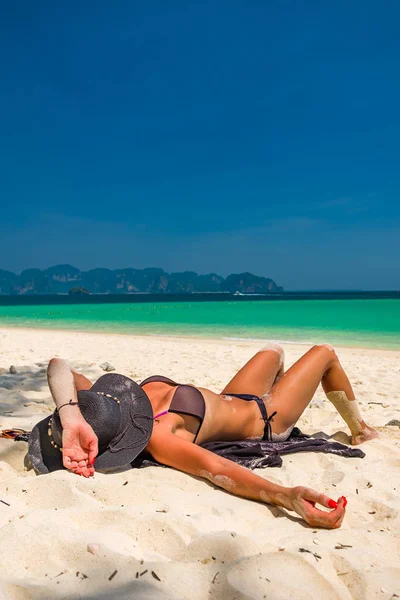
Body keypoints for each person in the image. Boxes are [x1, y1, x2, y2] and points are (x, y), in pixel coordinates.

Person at [25, 343, 378, 529]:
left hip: (235, 397)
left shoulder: (104, 405)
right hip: (267, 419)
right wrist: (286, 495)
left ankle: (284, 389)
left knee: (274, 350)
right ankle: (360, 430)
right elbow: (215, 467)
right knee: (325, 353)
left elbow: (59, 365)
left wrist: (70, 417)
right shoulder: (158, 436)